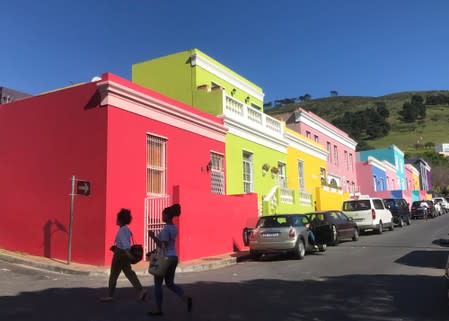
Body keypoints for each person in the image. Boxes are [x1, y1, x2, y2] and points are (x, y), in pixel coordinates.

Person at [147, 204, 192, 316]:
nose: (162, 216)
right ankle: (185, 298)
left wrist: (152, 236)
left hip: (165, 259)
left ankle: (158, 310)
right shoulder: (174, 228)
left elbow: (164, 245)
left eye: (163, 214)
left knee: (158, 284)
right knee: (170, 283)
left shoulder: (166, 229)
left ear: (166, 216)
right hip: (173, 257)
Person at [100, 208, 146, 302]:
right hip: (123, 254)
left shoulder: (121, 231)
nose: (116, 220)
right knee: (129, 273)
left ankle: (110, 295)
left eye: (117, 218)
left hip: (120, 254)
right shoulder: (126, 229)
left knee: (114, 274)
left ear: (120, 220)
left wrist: (126, 254)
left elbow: (125, 245)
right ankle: (141, 290)